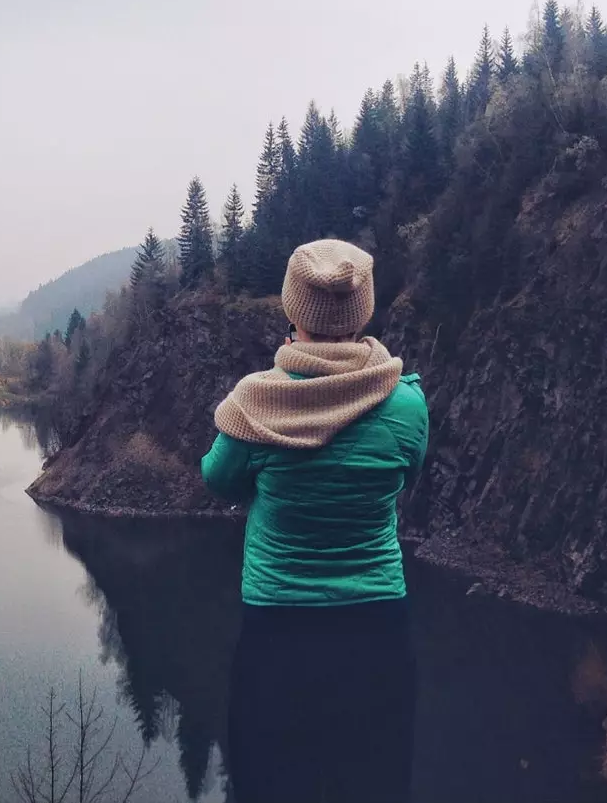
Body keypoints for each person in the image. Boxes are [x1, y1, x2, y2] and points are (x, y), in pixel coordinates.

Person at [201, 239, 428, 803]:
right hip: (378, 630)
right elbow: (408, 475)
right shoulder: (404, 403)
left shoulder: (258, 403)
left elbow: (218, 479)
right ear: (363, 311)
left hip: (278, 633)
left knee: (270, 784)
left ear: (292, 310)